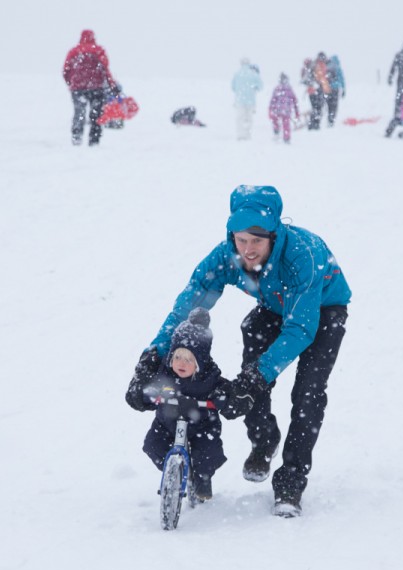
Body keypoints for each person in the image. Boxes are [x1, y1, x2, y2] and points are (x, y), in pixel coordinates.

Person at [125, 185, 352, 517]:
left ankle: (290, 481)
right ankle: (264, 439)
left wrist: (258, 376)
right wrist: (153, 357)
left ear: (274, 236)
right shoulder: (226, 256)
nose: (247, 249)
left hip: (323, 310)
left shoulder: (302, 255)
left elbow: (301, 329)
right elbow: (187, 307)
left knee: (308, 392)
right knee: (250, 368)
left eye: (256, 241)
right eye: (241, 239)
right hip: (274, 308)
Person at [136, 308, 229, 503]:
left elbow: (224, 389)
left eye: (188, 360)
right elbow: (152, 388)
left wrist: (222, 397)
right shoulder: (165, 374)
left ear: (200, 362)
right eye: (177, 357)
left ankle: (202, 479)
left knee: (207, 454)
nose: (181, 363)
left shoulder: (209, 376)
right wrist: (147, 394)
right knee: (153, 445)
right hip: (167, 423)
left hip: (201, 425)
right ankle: (173, 472)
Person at [62, 29, 115, 146]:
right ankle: (94, 140)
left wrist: (71, 83)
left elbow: (66, 70)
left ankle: (76, 137)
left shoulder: (74, 51)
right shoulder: (98, 50)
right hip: (96, 87)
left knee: (79, 113)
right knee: (96, 114)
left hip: (78, 88)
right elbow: (105, 69)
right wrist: (111, 84)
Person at [231, 58, 263, 140]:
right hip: (251, 100)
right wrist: (254, 88)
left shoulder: (237, 74)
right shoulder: (253, 74)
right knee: (249, 118)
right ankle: (247, 134)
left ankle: (240, 135)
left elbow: (233, 87)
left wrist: (239, 90)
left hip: (240, 100)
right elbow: (260, 86)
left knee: (240, 118)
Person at [268, 73, 301, 144]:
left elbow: (273, 100)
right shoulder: (289, 89)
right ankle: (286, 138)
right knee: (286, 124)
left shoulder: (277, 89)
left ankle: (276, 131)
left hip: (277, 109)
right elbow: (295, 101)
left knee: (275, 120)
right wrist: (297, 112)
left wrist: (270, 110)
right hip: (287, 110)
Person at [327, 55, 346, 126]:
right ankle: (332, 120)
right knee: (334, 106)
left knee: (329, 105)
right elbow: (341, 79)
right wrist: (343, 89)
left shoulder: (328, 67)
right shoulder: (338, 68)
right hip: (335, 89)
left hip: (328, 89)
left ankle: (329, 118)